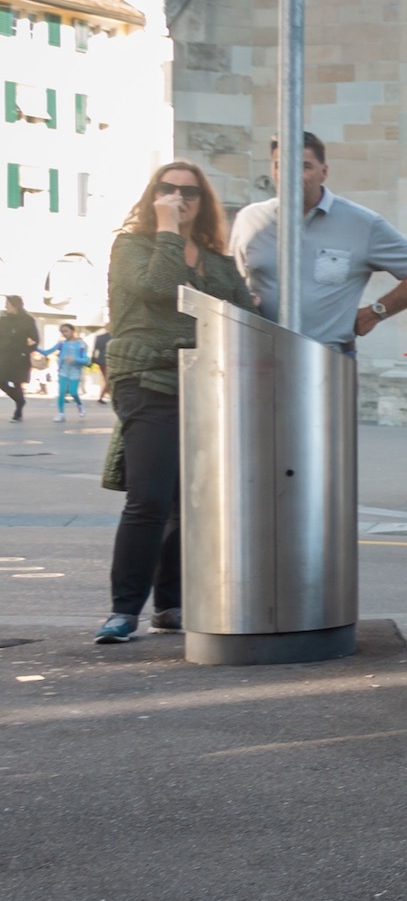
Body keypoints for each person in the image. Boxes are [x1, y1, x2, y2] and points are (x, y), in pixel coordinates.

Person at [95, 160, 255, 642]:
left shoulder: (219, 261)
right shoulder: (132, 246)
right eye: (167, 190)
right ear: (153, 196)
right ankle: (125, 610)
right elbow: (160, 287)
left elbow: (244, 316)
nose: (178, 198)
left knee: (191, 502)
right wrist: (166, 228)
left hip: (206, 386)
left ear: (204, 202)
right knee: (149, 497)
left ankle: (171, 603)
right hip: (148, 377)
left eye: (189, 192)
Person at [230, 134, 407, 352]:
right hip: (259, 355)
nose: (292, 175)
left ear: (324, 172)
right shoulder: (249, 220)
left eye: (305, 166)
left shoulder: (361, 224)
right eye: (281, 166)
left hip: (329, 358)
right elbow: (233, 281)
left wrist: (375, 312)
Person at [37, 324, 92, 416]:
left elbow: (86, 360)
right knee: (61, 392)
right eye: (62, 332)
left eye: (66, 331)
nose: (64, 333)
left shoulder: (81, 344)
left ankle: (80, 404)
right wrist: (33, 347)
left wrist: (75, 359)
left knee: (73, 392)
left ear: (73, 331)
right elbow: (47, 352)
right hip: (63, 371)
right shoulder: (62, 344)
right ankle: (61, 413)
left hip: (75, 371)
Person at [0, 295, 34, 421]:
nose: (5, 306)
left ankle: (18, 411)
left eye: (7, 304)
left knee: (16, 382)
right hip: (3, 356)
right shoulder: (3, 319)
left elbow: (35, 339)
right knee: (1, 380)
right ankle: (20, 401)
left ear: (15, 305)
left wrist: (25, 351)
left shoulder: (27, 320)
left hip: (19, 357)